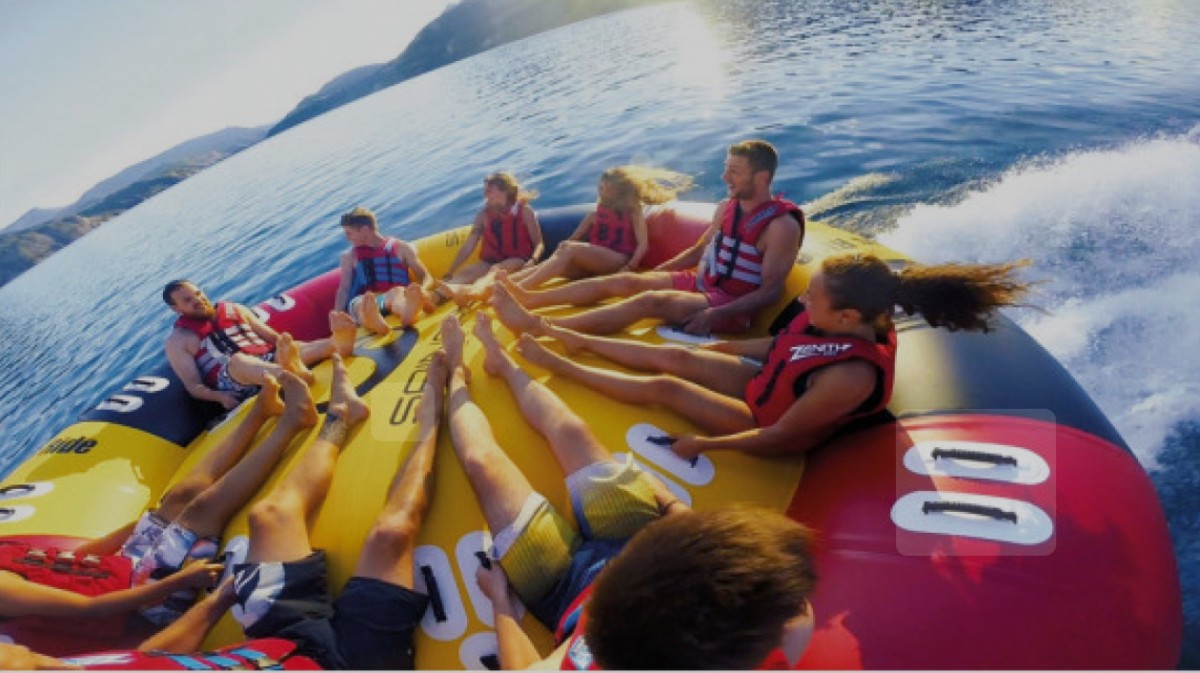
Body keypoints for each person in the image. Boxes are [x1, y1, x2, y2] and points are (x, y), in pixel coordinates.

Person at [4, 353, 448, 670]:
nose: (24, 656)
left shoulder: (83, 666)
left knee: (267, 517)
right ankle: (434, 418)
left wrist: (217, 603)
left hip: (279, 638)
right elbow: (89, 612)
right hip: (350, 664)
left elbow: (152, 657)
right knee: (391, 533)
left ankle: (340, 415)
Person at [442, 313, 818, 669]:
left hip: (563, 590)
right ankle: (504, 364)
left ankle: (455, 375)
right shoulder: (789, 620)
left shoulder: (608, 655)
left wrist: (501, 601)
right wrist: (668, 502)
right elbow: (717, 558)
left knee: (483, 466)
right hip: (640, 544)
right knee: (572, 430)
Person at [507, 253, 1032, 460]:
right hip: (769, 386)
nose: (802, 300)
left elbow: (782, 434)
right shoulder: (840, 316)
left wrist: (706, 446)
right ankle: (565, 334)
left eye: (813, 298)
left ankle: (562, 363)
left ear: (848, 318)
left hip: (769, 424)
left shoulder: (850, 375)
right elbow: (785, 348)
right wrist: (724, 348)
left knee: (667, 388)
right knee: (675, 358)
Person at [1, 371, 317, 631]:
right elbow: (91, 608)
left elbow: (74, 558)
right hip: (145, 604)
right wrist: (180, 581)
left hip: (128, 563)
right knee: (199, 510)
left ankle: (262, 412)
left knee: (178, 496)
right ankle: (292, 423)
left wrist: (134, 528)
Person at [488, 140, 805, 336]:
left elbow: (770, 291)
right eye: (726, 169)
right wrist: (654, 273)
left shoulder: (781, 227)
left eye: (734, 172)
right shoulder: (727, 208)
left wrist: (715, 314)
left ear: (761, 178)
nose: (724, 178)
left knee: (648, 301)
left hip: (732, 306)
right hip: (702, 285)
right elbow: (698, 252)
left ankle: (544, 328)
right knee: (624, 283)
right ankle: (530, 299)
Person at [163, 279, 356, 410]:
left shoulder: (234, 309)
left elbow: (273, 338)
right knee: (239, 360)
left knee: (287, 348)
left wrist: (287, 346)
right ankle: (290, 373)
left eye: (198, 293)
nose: (198, 299)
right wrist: (221, 398)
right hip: (235, 381)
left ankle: (336, 344)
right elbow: (193, 386)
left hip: (268, 360)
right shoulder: (178, 341)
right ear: (175, 308)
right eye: (188, 300)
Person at [510, 165, 693, 290]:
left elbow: (642, 244)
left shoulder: (633, 212)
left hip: (618, 259)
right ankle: (511, 282)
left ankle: (521, 287)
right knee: (560, 260)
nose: (600, 189)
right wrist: (562, 251)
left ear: (618, 190)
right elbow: (573, 239)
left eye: (606, 187)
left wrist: (630, 266)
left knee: (568, 249)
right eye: (601, 185)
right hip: (599, 262)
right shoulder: (596, 214)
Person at [436, 173, 544, 306]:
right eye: (485, 191)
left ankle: (472, 292)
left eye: (489, 191)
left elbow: (539, 243)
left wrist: (533, 260)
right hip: (491, 260)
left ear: (504, 191)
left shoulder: (525, 211)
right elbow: (468, 247)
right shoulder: (483, 216)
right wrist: (451, 271)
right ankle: (432, 298)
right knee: (467, 271)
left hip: (519, 259)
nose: (485, 195)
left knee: (496, 270)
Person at [334, 206, 436, 336]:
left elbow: (426, 276)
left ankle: (407, 312)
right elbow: (344, 289)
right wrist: (337, 315)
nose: (347, 238)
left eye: (349, 233)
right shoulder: (349, 257)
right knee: (361, 304)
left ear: (365, 230)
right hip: (367, 300)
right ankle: (374, 321)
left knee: (397, 292)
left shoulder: (401, 248)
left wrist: (422, 289)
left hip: (392, 297)